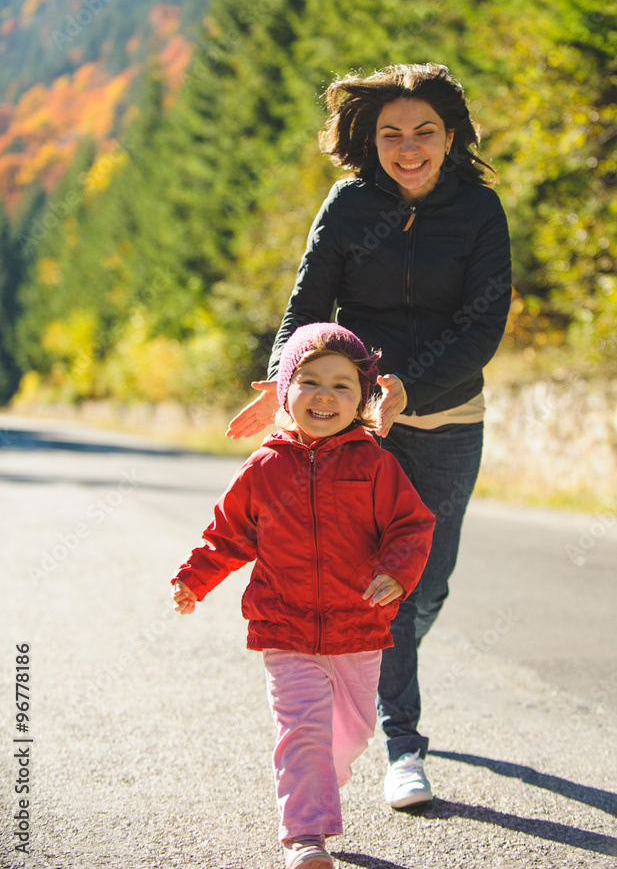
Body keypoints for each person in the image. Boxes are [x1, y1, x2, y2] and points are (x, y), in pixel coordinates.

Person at [226, 63, 512, 810]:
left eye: (423, 132)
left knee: (427, 583)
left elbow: (482, 325)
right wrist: (282, 385)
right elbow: (306, 303)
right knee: (382, 580)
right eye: (391, 134)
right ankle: (403, 742)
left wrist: (412, 387)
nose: (407, 147)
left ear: (451, 137)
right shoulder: (350, 204)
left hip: (448, 416)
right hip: (356, 421)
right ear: (370, 140)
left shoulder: (480, 210)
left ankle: (393, 673)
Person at [171, 322, 435, 869]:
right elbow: (227, 533)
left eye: (343, 386)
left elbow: (412, 526)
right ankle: (304, 836)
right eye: (310, 381)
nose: (325, 395)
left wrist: (397, 573)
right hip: (284, 627)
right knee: (303, 729)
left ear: (364, 398)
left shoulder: (375, 464)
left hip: (358, 627)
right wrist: (195, 578)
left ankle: (317, 781)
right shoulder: (264, 468)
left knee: (355, 733)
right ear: (284, 392)